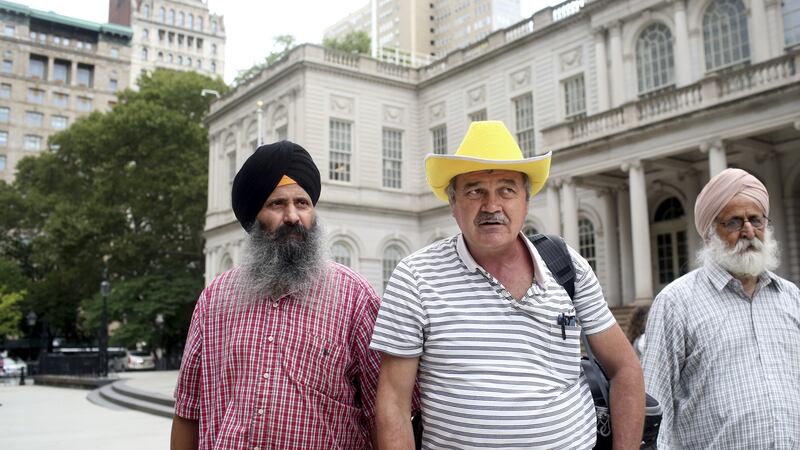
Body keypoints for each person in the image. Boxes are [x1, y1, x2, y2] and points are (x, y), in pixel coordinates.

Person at [370, 121, 645, 449]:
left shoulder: (567, 266)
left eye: (506, 190)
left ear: (525, 203)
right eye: (474, 190)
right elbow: (393, 405)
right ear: (453, 205)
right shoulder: (415, 278)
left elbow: (625, 368)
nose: (491, 206)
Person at [171, 141, 382, 450]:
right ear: (255, 215)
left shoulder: (356, 298)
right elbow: (188, 409)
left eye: (303, 203)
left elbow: (386, 411)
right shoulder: (214, 299)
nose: (293, 216)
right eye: (277, 204)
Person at [642, 168, 800, 449]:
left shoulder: (791, 297)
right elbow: (654, 403)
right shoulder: (676, 302)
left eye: (756, 220)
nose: (749, 232)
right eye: (734, 223)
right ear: (708, 234)